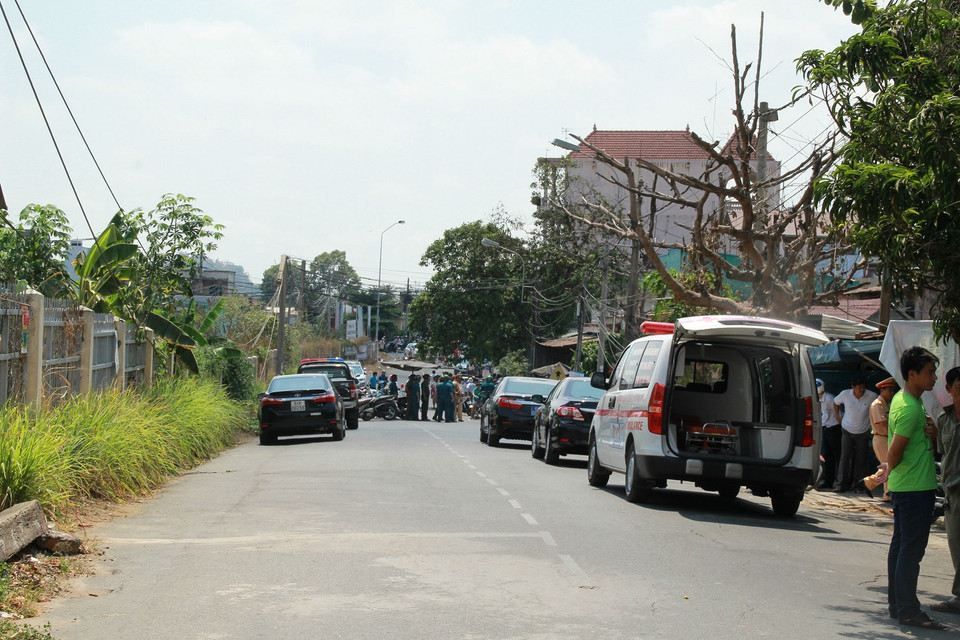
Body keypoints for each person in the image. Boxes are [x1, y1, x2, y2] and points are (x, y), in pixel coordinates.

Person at [876, 346, 943, 630]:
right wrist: (887, 471)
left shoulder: (907, 402)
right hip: (914, 488)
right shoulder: (909, 408)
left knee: (902, 546)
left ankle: (899, 605)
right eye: (929, 373)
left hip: (908, 486)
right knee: (911, 550)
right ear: (912, 374)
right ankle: (907, 609)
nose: (934, 378)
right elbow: (895, 452)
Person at [932, 366, 960, 616]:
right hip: (952, 490)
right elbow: (943, 453)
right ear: (949, 389)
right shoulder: (944, 420)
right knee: (955, 543)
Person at [834, 377, 878, 493]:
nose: (862, 390)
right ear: (852, 387)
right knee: (845, 457)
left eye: (863, 387)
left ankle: (858, 485)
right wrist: (838, 416)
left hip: (862, 432)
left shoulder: (871, 395)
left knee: (861, 460)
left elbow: (878, 406)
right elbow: (835, 403)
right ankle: (841, 484)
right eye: (859, 388)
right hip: (847, 430)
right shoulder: (845, 394)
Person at [869, 377, 899, 501]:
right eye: (890, 391)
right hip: (881, 438)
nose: (892, 393)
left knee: (888, 466)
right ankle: (887, 493)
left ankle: (868, 484)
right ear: (882, 390)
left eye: (893, 391)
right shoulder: (877, 405)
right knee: (888, 465)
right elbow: (882, 423)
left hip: (887, 437)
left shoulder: (888, 404)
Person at [817, 379, 842, 490]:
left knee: (837, 455)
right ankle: (828, 481)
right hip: (825, 428)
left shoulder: (829, 398)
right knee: (827, 456)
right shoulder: (819, 399)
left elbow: (839, 413)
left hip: (834, 428)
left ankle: (841, 481)